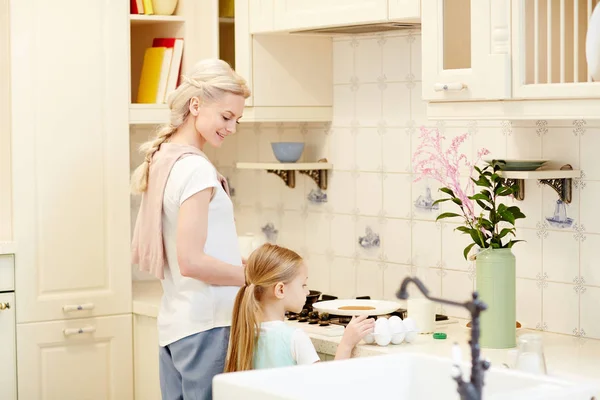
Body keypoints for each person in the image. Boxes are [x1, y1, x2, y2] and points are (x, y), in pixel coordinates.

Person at [130, 59, 250, 400]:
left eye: (237, 120)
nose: (232, 127)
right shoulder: (196, 169)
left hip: (178, 325)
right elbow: (192, 261)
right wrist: (253, 276)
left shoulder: (166, 159)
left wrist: (238, 264)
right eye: (226, 117)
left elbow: (192, 250)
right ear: (195, 105)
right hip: (208, 326)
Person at [224, 243, 375, 373]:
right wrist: (346, 344)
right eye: (303, 284)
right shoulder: (294, 338)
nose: (308, 292)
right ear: (280, 290)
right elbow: (326, 387)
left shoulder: (243, 333)